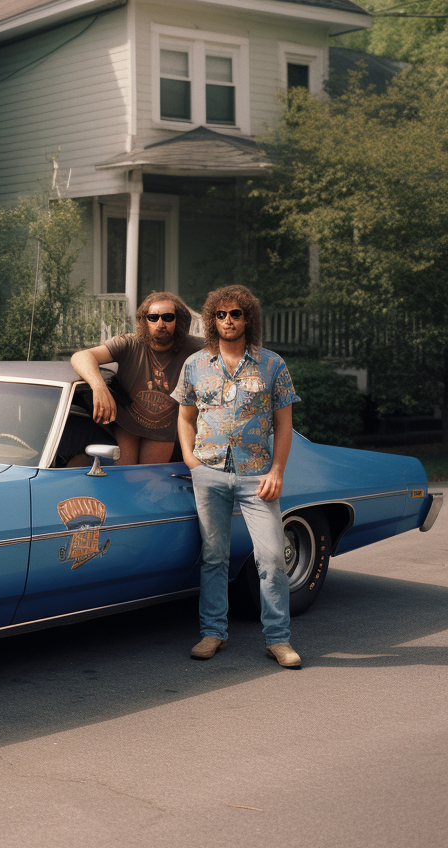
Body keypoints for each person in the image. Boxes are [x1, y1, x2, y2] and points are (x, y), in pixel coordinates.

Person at [172, 284, 302, 668]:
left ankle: (278, 639)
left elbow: (284, 424)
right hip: (208, 472)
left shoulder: (272, 364)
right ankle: (213, 633)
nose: (228, 321)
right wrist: (190, 460)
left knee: (272, 557)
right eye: (221, 315)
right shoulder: (196, 365)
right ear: (212, 319)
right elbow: (184, 416)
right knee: (214, 557)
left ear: (248, 318)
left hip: (257, 476)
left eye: (236, 314)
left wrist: (277, 470)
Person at [70, 292, 205, 466]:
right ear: (144, 321)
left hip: (163, 430)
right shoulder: (129, 343)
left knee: (147, 480)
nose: (160, 324)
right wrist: (99, 387)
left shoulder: (194, 347)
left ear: (178, 320)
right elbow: (81, 356)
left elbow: (228, 352)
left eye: (168, 317)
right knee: (125, 474)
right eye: (153, 317)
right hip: (127, 425)